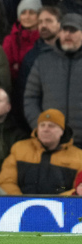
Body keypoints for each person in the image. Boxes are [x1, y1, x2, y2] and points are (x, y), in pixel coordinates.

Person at [24, 12, 82, 145]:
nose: (67, 34)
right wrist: (40, 127)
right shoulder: (43, 61)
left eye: (73, 30)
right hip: (51, 144)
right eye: (64, 30)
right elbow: (30, 98)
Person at [0, 108, 82, 194]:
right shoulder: (19, 148)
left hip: (62, 206)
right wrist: (21, 202)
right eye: (42, 125)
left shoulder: (79, 157)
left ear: (62, 131)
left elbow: (79, 189)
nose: (45, 129)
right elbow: (6, 181)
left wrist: (55, 203)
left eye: (51, 126)